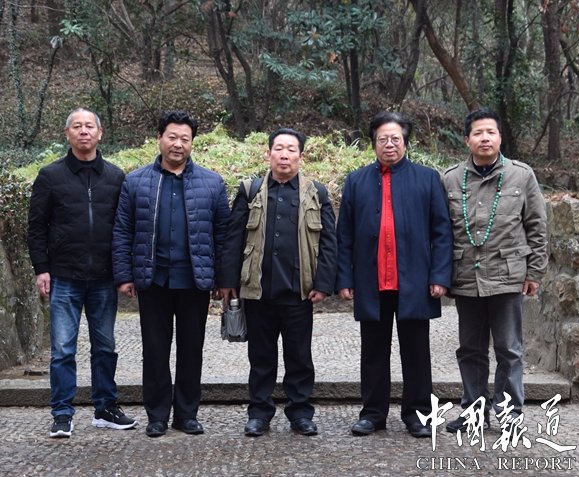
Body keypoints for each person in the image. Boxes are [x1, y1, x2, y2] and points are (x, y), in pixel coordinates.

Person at [112, 110, 230, 438]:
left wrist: (223, 280)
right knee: (154, 350)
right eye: (172, 137)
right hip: (153, 279)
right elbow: (122, 231)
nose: (178, 144)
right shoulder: (135, 182)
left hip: (195, 280)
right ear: (159, 138)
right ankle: (157, 415)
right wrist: (124, 275)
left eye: (185, 139)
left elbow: (223, 235)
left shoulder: (212, 183)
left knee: (191, 350)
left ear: (192, 143)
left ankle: (187, 414)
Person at [336, 111, 453, 438]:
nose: (389, 144)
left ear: (405, 142)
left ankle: (418, 415)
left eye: (395, 139)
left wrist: (440, 275)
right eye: (382, 139)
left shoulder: (427, 179)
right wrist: (344, 278)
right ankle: (373, 413)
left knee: (416, 353)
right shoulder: (356, 181)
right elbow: (344, 235)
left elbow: (442, 231)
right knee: (373, 352)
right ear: (374, 143)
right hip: (371, 281)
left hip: (414, 280)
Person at [218, 128, 337, 437]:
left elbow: (329, 242)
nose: (284, 155)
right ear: (268, 153)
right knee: (261, 358)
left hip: (299, 292)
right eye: (279, 149)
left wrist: (323, 283)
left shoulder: (316, 192)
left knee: (300, 357)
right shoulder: (250, 190)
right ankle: (259, 413)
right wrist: (228, 281)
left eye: (291, 149)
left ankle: (300, 412)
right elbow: (234, 238)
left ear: (301, 156)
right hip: (258, 291)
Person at [27, 108, 137, 438]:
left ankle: (105, 408)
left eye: (90, 126)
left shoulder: (115, 177)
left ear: (100, 133)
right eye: (77, 126)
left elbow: (125, 228)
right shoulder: (50, 176)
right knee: (63, 349)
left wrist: (124, 271)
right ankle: (62, 413)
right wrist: (41, 268)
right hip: (64, 276)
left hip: (103, 277)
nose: (84, 131)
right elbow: (36, 227)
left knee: (105, 346)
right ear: (67, 134)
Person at [442, 108, 547, 433]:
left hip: (508, 275)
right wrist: (442, 276)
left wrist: (535, 272)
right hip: (466, 277)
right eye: (478, 133)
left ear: (500, 137)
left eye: (491, 132)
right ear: (467, 139)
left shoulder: (521, 175)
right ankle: (473, 411)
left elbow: (537, 226)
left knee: (509, 350)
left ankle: (509, 414)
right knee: (470, 350)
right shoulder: (450, 178)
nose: (484, 138)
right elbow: (441, 232)